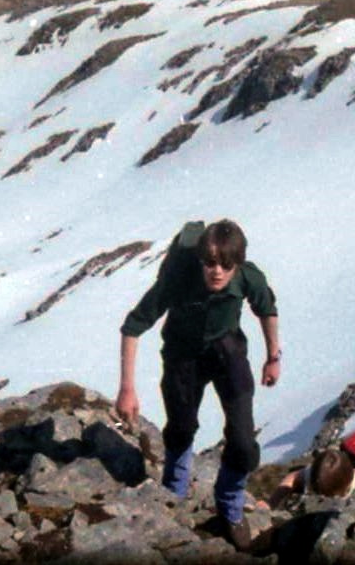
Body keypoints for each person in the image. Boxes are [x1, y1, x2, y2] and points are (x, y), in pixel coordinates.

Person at [116, 219, 280, 551]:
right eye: (209, 263)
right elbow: (133, 327)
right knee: (181, 425)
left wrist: (273, 356)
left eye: (225, 265)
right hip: (182, 355)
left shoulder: (249, 276)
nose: (216, 271)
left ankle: (230, 504)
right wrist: (127, 389)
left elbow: (266, 308)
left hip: (226, 349)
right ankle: (175, 492)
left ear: (238, 263)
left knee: (244, 439)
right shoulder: (178, 280)